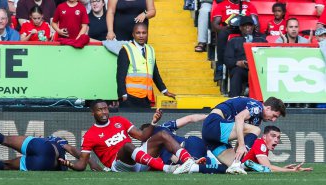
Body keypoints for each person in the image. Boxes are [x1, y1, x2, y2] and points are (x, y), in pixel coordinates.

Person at [58, 99, 198, 173]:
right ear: (93, 113)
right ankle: (167, 168)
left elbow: (143, 137)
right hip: (119, 165)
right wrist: (70, 164)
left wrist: (153, 122)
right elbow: (82, 164)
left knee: (162, 133)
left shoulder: (119, 120)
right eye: (100, 110)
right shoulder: (90, 135)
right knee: (126, 146)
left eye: (106, 108)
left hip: (139, 160)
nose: (104, 112)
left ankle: (189, 162)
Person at [0, 127, 102, 171]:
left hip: (39, 145)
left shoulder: (51, 139)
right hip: (46, 163)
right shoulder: (62, 143)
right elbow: (74, 151)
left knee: (5, 139)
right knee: (5, 165)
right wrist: (88, 161)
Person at [201, 96, 286, 172]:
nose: (274, 120)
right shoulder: (258, 107)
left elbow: (243, 134)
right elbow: (239, 118)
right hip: (213, 124)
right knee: (256, 130)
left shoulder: (257, 119)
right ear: (268, 108)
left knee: (234, 166)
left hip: (210, 135)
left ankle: (195, 167)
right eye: (274, 115)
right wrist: (241, 146)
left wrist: (237, 156)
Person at [140, 114, 236, 175]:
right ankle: (214, 160)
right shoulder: (164, 127)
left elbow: (170, 158)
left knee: (171, 159)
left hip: (186, 151)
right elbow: (190, 118)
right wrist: (212, 116)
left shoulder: (151, 143)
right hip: (195, 142)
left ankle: (199, 162)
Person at [116, 23, 176, 108]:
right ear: (133, 34)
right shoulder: (126, 50)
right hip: (130, 97)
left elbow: (155, 73)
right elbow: (120, 76)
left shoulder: (150, 50)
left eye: (144, 33)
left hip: (146, 97)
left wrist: (164, 90)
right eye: (138, 33)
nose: (141, 35)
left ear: (147, 34)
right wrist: (122, 95)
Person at [211, 0, 259, 81]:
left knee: (259, 37)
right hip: (230, 28)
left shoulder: (249, 5)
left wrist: (254, 28)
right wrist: (223, 28)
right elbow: (215, 25)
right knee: (222, 34)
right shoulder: (222, 5)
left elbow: (256, 22)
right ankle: (220, 66)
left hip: (246, 28)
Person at [224, 16, 267, 97]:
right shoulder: (233, 41)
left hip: (258, 69)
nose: (247, 27)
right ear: (240, 28)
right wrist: (238, 63)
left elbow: (267, 57)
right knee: (237, 72)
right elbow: (227, 59)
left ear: (253, 27)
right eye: (244, 25)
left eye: (250, 25)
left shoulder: (261, 40)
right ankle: (234, 99)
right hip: (241, 69)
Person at [241, 126, 313, 173]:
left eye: (278, 137)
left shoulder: (263, 146)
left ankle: (249, 165)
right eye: (273, 136)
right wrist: (291, 170)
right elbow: (267, 167)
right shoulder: (260, 144)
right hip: (240, 166)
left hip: (248, 167)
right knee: (266, 170)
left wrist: (283, 168)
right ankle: (246, 165)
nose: (276, 140)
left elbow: (267, 167)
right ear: (264, 137)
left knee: (264, 168)